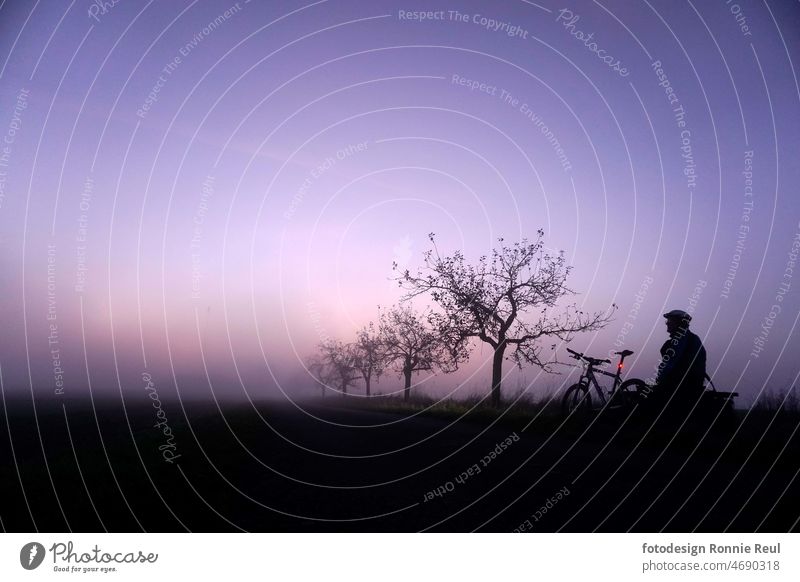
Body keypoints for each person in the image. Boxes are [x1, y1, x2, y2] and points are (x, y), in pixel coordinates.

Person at [651, 309, 706, 411]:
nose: (667, 323)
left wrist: (660, 379)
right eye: (667, 321)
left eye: (670, 321)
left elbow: (671, 364)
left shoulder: (681, 340)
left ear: (679, 323)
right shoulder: (691, 338)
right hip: (690, 382)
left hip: (683, 384)